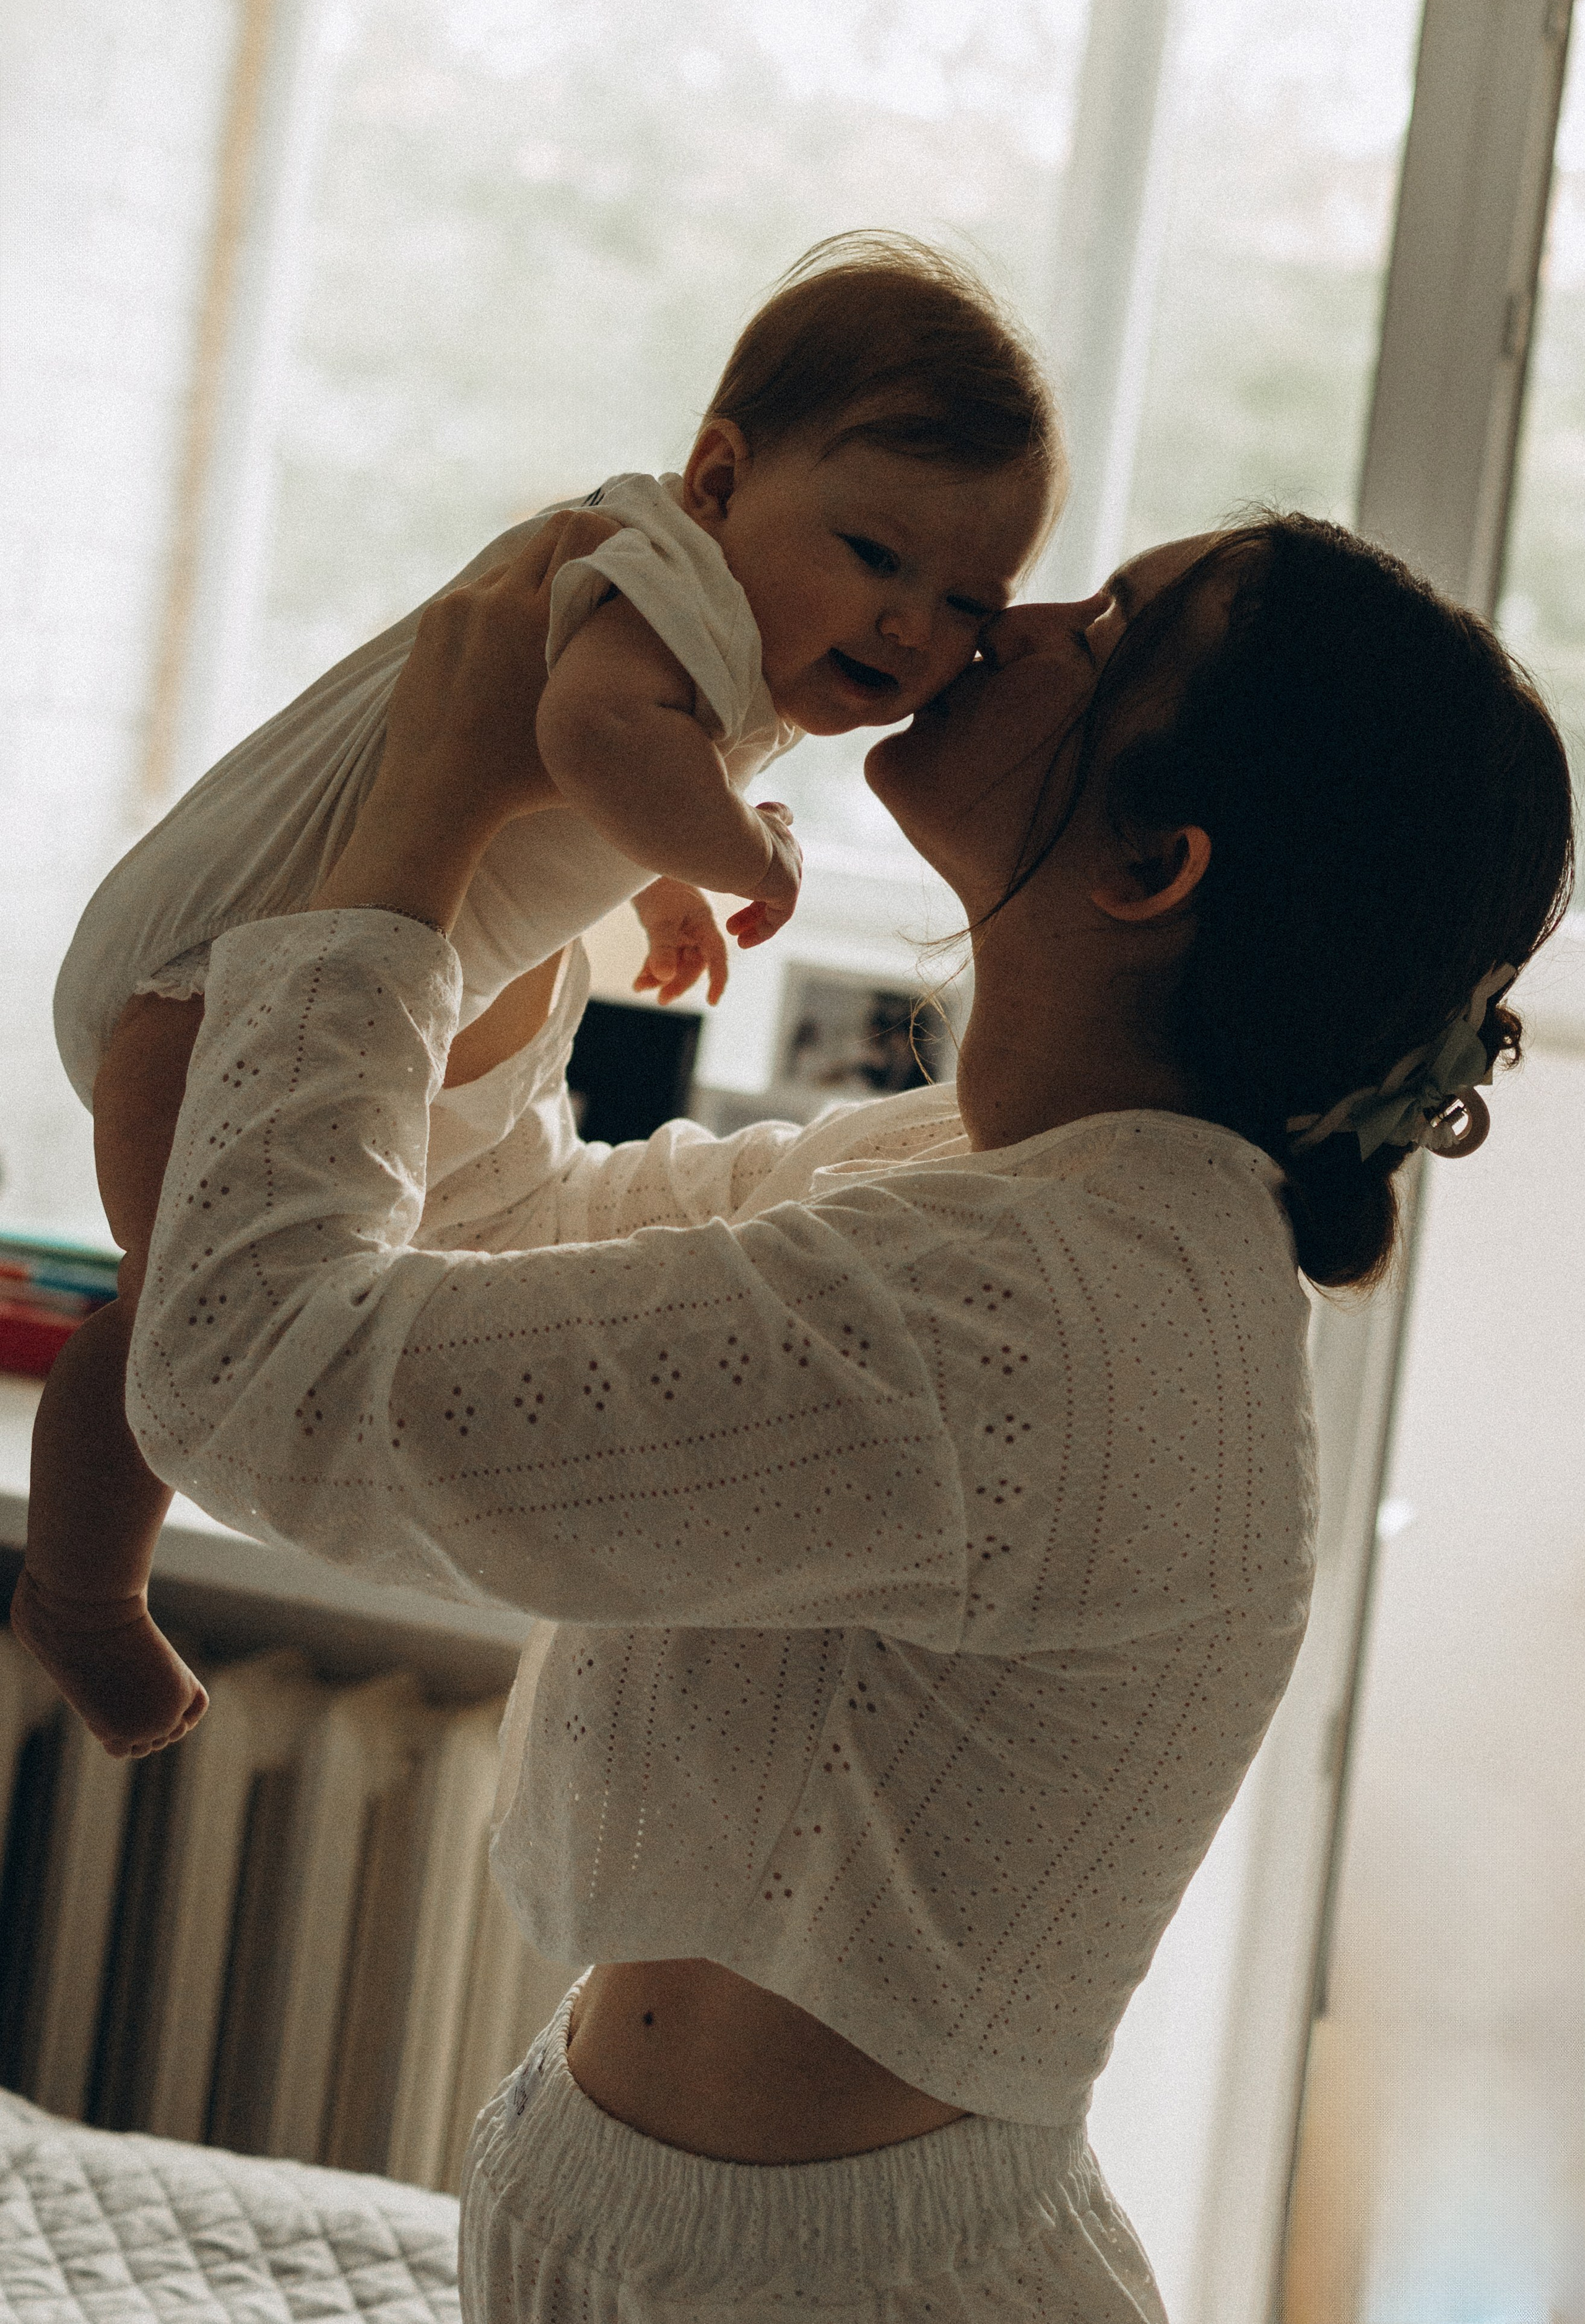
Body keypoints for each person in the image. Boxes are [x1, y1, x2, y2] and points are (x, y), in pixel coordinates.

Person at [102, 504, 1571, 2317]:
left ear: (1153, 866)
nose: (1006, 621)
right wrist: (540, 837)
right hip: (657, 2227)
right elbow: (495, 1239)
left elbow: (261, 1378)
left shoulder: (1050, 1312)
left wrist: (420, 811)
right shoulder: (1006, 1184)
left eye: (1101, 636)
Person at [14, 235, 1061, 1760]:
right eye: (874, 555)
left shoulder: (698, 632)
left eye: (969, 600)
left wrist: (656, 878)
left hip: (353, 990)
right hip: (211, 987)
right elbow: (591, 730)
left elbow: (581, 760)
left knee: (274, 1287)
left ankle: (90, 1582)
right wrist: (739, 854)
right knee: (184, 1320)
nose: (912, 628)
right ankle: (85, 1594)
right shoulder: (664, 582)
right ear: (716, 479)